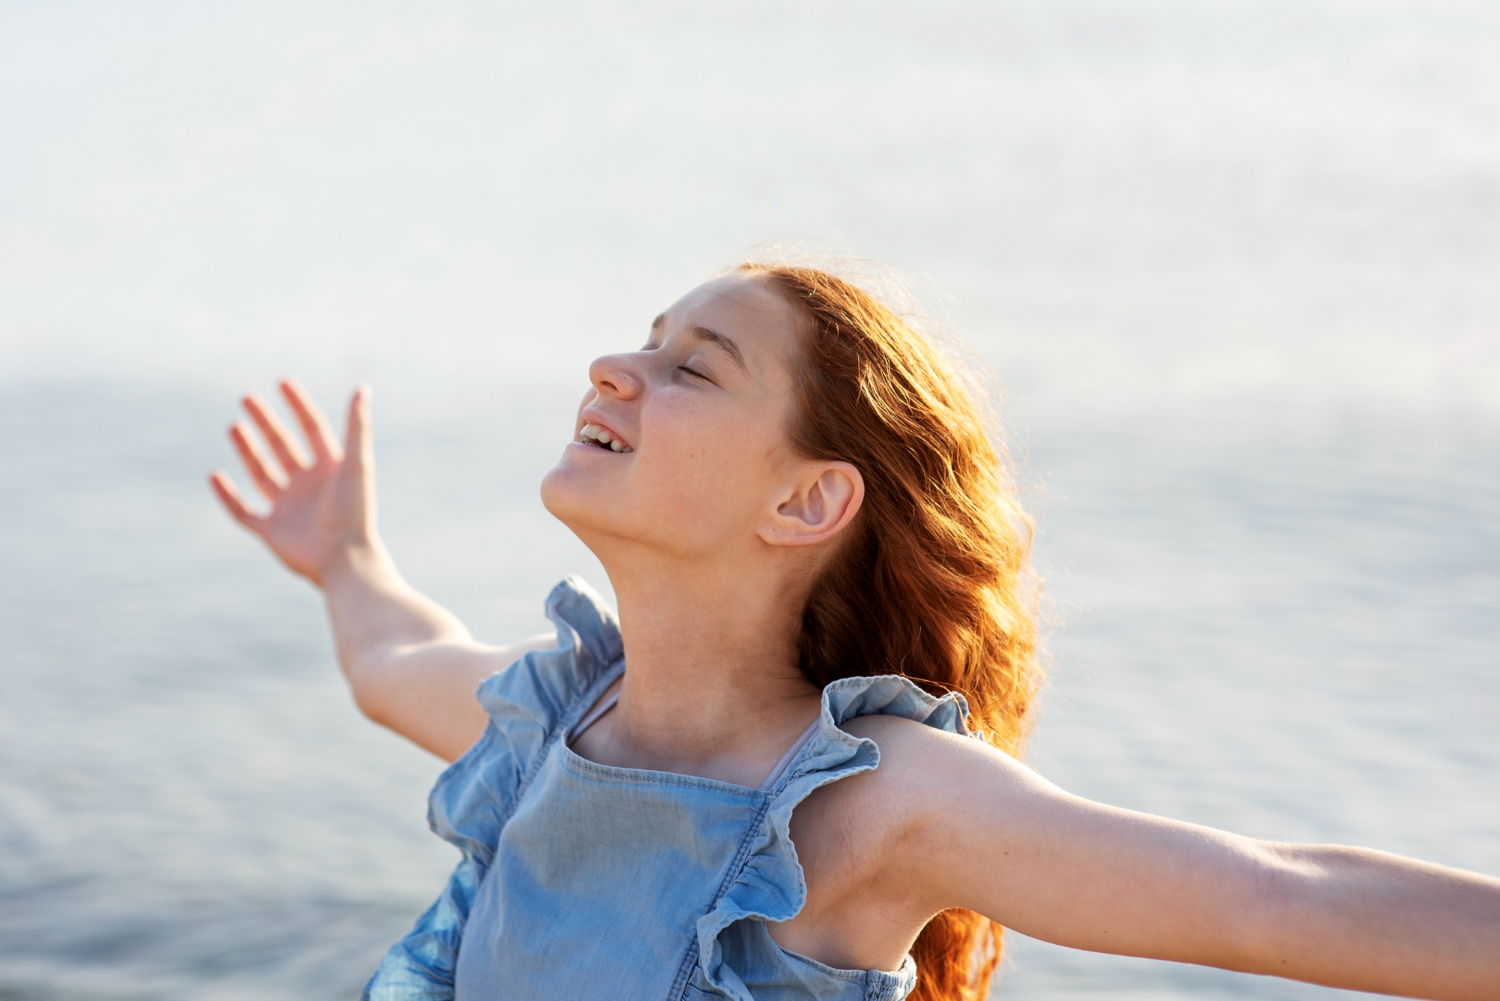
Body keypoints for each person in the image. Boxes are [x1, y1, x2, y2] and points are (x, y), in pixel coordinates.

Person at [209, 264, 1500, 1001]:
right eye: (643, 343)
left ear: (807, 498)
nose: (615, 365)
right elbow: (389, 659)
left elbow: (1270, 895)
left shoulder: (872, 802)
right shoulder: (547, 721)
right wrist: (345, 558)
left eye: (692, 366)